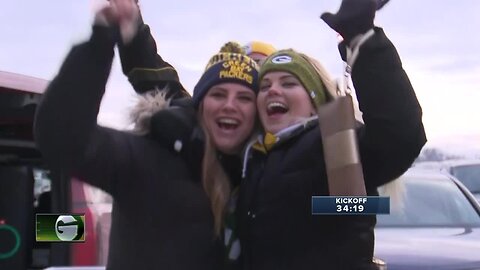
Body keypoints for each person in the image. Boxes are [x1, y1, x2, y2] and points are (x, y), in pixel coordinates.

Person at [34, 0, 260, 269]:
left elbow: (319, 205)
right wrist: (101, 42)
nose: (230, 105)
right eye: (218, 94)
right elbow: (63, 138)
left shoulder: (260, 174)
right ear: (199, 107)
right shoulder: (148, 157)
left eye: (244, 98)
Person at [235, 0, 427, 269]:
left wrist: (363, 40)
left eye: (288, 83)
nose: (272, 90)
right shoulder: (253, 158)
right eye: (264, 85)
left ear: (315, 100)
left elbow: (398, 136)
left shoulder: (332, 143)